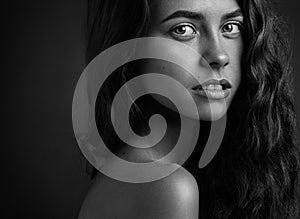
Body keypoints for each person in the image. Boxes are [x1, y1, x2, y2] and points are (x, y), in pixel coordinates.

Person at [78, 0, 300, 218]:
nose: (219, 56)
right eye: (183, 29)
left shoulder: (175, 171)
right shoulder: (165, 186)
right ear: (131, 45)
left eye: (230, 27)